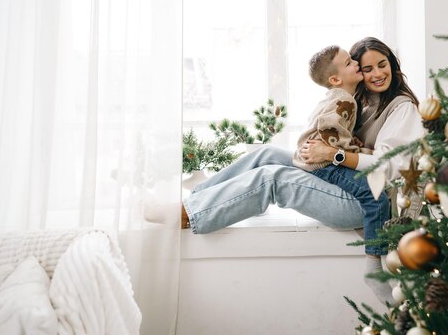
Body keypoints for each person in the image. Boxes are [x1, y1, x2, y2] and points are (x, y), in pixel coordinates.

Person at [151, 37, 423, 306]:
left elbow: (387, 167)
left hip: (366, 201)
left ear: (393, 64)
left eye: (382, 64)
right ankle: (198, 196)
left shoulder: (402, 109)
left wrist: (333, 154)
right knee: (267, 153)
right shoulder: (362, 102)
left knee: (273, 178)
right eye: (367, 68)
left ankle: (189, 215)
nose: (377, 73)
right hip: (347, 182)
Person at [292, 44, 369, 173]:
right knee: (368, 192)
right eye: (348, 63)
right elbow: (329, 130)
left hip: (309, 162)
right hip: (324, 165)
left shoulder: (331, 99)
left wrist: (349, 138)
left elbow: (333, 129)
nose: (356, 62)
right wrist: (358, 152)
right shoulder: (345, 100)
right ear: (335, 79)